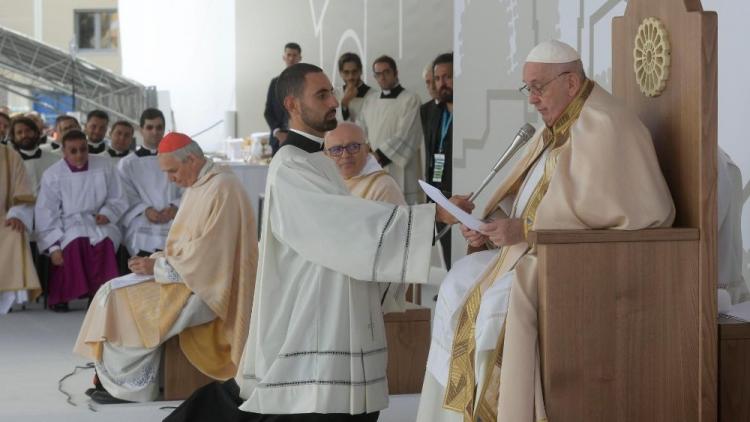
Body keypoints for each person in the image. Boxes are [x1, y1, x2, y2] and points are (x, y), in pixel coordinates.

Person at [415, 40, 676, 422]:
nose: (533, 100)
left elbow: (629, 218)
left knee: (492, 301)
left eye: (539, 87)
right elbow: (528, 193)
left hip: (582, 265)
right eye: (528, 89)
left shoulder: (607, 126)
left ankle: (498, 410)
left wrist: (526, 231)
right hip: (537, 252)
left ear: (570, 83)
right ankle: (454, 411)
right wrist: (491, 226)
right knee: (457, 282)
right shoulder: (556, 124)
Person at [74, 132, 258, 404]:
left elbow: (212, 258)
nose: (170, 179)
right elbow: (188, 245)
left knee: (123, 300)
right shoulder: (200, 184)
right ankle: (112, 379)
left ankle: (129, 388)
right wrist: (157, 260)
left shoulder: (223, 188)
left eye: (172, 171)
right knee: (110, 289)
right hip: (188, 276)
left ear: (192, 160)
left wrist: (159, 267)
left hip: (209, 288)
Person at [34, 129, 128, 312]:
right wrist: (53, 247)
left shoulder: (104, 165)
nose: (79, 155)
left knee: (105, 241)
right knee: (75, 242)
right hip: (68, 222)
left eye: (83, 149)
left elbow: (118, 197)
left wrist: (108, 213)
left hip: (99, 220)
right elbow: (46, 212)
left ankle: (100, 294)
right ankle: (62, 295)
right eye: (73, 151)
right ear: (64, 152)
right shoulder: (53, 174)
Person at [324, 121, 410, 313]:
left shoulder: (382, 185)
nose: (345, 155)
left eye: (353, 147)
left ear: (367, 149)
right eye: (337, 149)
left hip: (372, 284)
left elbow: (389, 245)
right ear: (326, 155)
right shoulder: (329, 183)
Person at [358, 55, 424, 204]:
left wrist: (378, 156)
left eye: (386, 72)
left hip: (401, 169)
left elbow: (407, 134)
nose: (382, 77)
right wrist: (367, 152)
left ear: (396, 73)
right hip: (374, 167)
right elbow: (361, 129)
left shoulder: (411, 99)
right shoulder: (370, 100)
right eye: (378, 74)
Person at [118, 108, 180, 259]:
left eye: (159, 127)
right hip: (141, 219)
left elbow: (188, 188)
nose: (155, 132)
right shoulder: (126, 164)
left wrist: (175, 206)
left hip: (172, 218)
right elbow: (124, 194)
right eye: (150, 127)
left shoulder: (178, 159)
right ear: (141, 130)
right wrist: (145, 210)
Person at [0, 142, 42, 314]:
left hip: (3, 218)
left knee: (14, 233)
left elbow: (22, 192)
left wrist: (17, 215)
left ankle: (4, 296)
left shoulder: (10, 156)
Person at [423, 53, 454, 267]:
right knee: (445, 246)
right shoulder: (433, 112)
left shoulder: (470, 112)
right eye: (437, 78)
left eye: (448, 77)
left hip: (459, 192)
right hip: (438, 190)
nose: (441, 83)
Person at [265, 42, 302, 154]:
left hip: (300, 139)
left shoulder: (306, 83)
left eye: (294, 55)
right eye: (289, 55)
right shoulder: (275, 83)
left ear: (300, 58)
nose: (291, 58)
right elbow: (268, 112)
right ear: (284, 57)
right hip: (278, 141)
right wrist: (278, 133)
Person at [337, 52, 373, 123]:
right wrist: (344, 103)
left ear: (361, 71)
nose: (351, 77)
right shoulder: (335, 94)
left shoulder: (373, 95)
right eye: (346, 72)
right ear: (340, 73)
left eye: (354, 71)